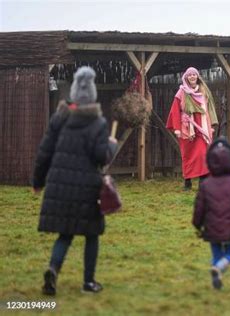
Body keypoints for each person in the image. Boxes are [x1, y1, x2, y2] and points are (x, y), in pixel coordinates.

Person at [32, 66, 118, 295]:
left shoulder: (59, 118)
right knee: (92, 235)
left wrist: (37, 182)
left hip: (60, 186)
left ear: (73, 93)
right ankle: (89, 283)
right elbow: (101, 157)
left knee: (65, 234)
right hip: (87, 189)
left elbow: (44, 152)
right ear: (91, 94)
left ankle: (53, 269)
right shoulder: (98, 123)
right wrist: (111, 145)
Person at [192, 138, 230, 290]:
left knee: (216, 255)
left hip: (211, 228)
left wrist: (197, 225)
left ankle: (216, 271)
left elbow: (199, 208)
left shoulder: (205, 185)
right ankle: (218, 269)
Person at [166, 67, 219, 190]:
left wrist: (211, 126)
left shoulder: (204, 91)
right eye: (189, 75)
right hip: (187, 129)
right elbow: (175, 111)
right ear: (186, 77)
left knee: (202, 154)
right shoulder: (181, 92)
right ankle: (187, 182)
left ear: (197, 76)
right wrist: (177, 128)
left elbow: (210, 108)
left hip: (202, 127)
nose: (192, 77)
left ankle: (203, 182)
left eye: (194, 74)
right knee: (188, 156)